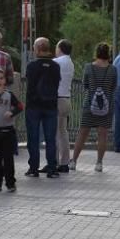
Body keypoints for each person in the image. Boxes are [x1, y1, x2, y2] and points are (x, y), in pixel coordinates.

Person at [71, 43, 116, 172]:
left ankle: (74, 161)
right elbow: (113, 87)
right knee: (102, 135)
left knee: (82, 133)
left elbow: (85, 85)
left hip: (89, 104)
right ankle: (99, 163)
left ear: (96, 53)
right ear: (108, 54)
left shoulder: (88, 67)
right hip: (106, 106)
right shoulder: (113, 69)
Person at [24, 37, 61, 178]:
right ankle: (52, 168)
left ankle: (33, 168)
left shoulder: (32, 66)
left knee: (33, 138)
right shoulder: (56, 66)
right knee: (50, 138)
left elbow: (30, 84)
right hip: (51, 106)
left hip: (34, 106)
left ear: (38, 48)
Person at [53, 39, 75, 172]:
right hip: (66, 98)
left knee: (55, 132)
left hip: (58, 99)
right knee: (63, 131)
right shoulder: (70, 63)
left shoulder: (57, 62)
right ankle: (65, 161)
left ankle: (55, 161)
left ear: (60, 48)